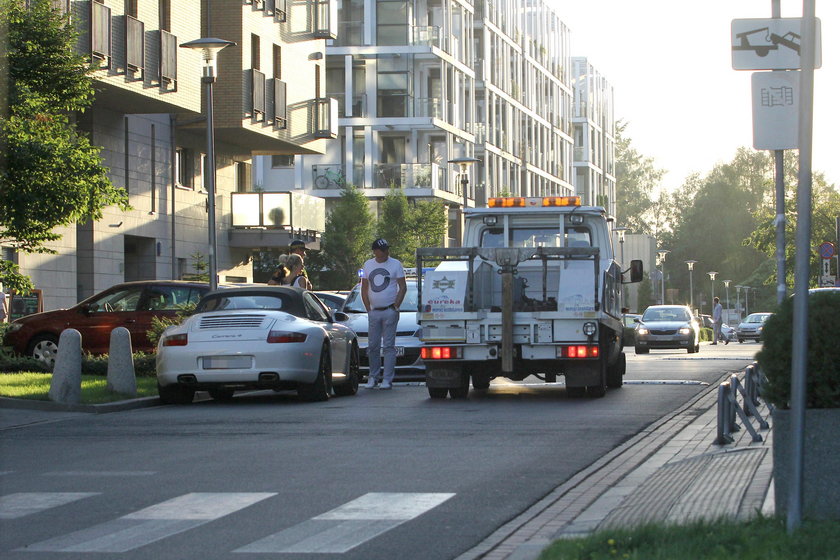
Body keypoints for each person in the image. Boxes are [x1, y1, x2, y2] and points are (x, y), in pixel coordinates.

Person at [361, 238, 406, 390]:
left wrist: (396, 306)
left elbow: (402, 286)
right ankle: (373, 377)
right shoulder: (368, 264)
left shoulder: (395, 264)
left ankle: (387, 379)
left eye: (386, 248)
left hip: (389, 310)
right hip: (374, 311)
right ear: (375, 251)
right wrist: (368, 309)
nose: (386, 251)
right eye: (382, 249)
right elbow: (364, 288)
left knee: (388, 346)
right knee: (372, 346)